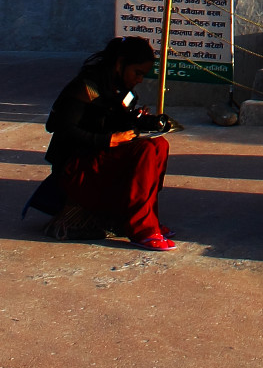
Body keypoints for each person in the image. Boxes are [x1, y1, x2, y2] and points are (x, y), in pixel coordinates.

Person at [40, 37, 175, 249]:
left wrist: (138, 120)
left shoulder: (120, 90)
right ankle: (142, 229)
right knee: (145, 151)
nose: (139, 79)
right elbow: (62, 128)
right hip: (76, 169)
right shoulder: (86, 87)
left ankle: (149, 220)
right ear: (120, 64)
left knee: (159, 145)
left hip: (98, 160)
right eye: (137, 72)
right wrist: (107, 140)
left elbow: (114, 120)